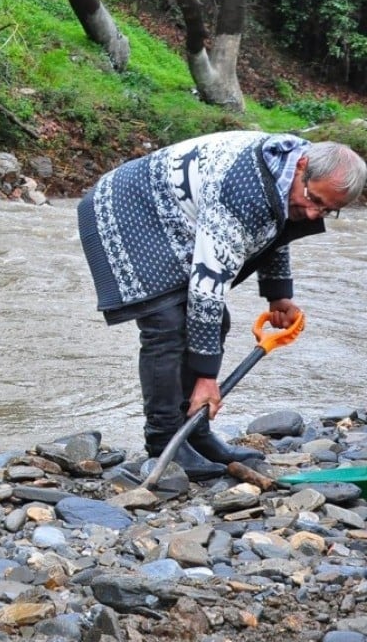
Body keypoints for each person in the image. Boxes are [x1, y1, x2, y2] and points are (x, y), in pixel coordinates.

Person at [77, 131, 366, 480]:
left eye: (326, 210)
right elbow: (207, 285)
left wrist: (278, 294)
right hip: (128, 207)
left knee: (217, 322)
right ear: (303, 167)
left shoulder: (292, 178)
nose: (312, 212)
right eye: (314, 199)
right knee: (166, 325)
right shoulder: (243, 189)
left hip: (177, 209)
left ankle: (195, 432)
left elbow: (276, 228)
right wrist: (206, 377)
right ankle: (164, 440)